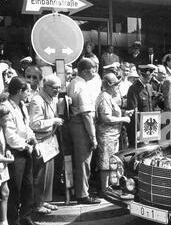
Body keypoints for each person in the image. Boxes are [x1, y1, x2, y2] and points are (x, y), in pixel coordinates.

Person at [1, 77, 42, 225]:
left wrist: (33, 142)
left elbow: (27, 127)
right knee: (15, 189)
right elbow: (10, 136)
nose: (29, 94)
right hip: (16, 152)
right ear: (19, 91)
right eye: (27, 91)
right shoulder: (6, 108)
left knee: (28, 186)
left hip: (26, 149)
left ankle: (26, 217)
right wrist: (25, 146)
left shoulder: (21, 106)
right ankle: (13, 222)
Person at [67, 58, 101, 205]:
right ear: (86, 71)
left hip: (76, 124)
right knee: (84, 161)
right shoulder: (81, 85)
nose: (95, 71)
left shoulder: (74, 82)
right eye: (93, 69)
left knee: (81, 160)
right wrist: (93, 137)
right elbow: (87, 114)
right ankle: (82, 194)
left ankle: (81, 190)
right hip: (82, 125)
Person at [29, 74, 64, 214]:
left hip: (48, 140)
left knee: (46, 176)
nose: (57, 91)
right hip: (40, 141)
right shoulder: (37, 101)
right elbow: (34, 124)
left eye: (59, 88)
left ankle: (42, 201)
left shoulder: (51, 98)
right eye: (55, 88)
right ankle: (36, 204)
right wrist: (53, 121)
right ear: (46, 86)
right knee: (39, 175)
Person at [95, 73, 132, 192]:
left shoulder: (108, 96)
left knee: (112, 162)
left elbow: (113, 112)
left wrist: (124, 113)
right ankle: (105, 189)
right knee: (105, 162)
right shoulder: (104, 97)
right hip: (107, 135)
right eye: (115, 84)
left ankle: (110, 187)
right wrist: (123, 119)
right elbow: (106, 118)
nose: (117, 87)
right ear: (109, 86)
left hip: (113, 135)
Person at [126, 64, 156, 148]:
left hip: (149, 125)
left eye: (150, 77)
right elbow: (133, 110)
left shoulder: (149, 87)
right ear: (141, 75)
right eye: (146, 77)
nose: (148, 79)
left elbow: (151, 106)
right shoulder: (133, 89)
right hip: (139, 127)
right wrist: (138, 129)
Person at [0, 104, 17, 225]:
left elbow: (4, 146)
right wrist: (8, 160)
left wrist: (8, 151)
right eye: (5, 119)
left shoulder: (1, 129)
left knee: (5, 193)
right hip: (2, 163)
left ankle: (4, 223)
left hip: (2, 166)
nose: (7, 121)